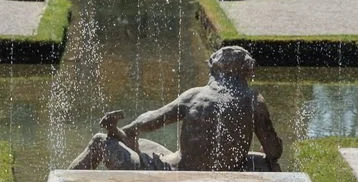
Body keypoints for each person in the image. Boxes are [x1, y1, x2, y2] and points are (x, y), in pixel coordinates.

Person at [69, 45, 283, 173]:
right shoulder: (253, 100)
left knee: (100, 141)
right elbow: (274, 152)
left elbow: (151, 120)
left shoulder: (195, 96)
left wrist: (123, 130)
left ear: (216, 71)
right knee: (266, 162)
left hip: (174, 178)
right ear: (246, 72)